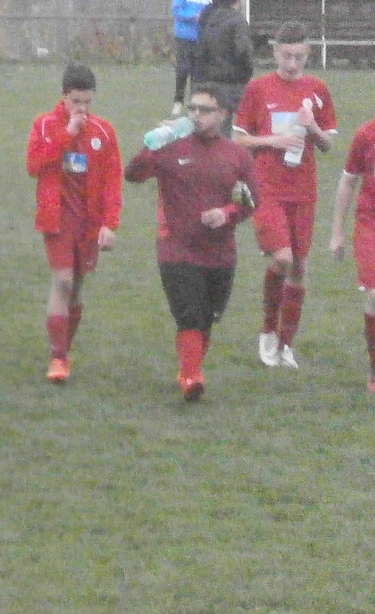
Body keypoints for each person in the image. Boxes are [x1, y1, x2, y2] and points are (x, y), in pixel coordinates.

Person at [124, 83, 258, 401]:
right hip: (177, 249)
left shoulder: (237, 156)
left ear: (223, 114)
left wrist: (225, 214)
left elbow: (250, 200)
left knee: (207, 318)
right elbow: (132, 174)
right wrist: (153, 144)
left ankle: (190, 367)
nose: (197, 115)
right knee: (189, 314)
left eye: (205, 109)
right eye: (192, 108)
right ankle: (192, 376)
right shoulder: (171, 147)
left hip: (220, 254)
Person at [233, 20, 337, 370]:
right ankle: (268, 329)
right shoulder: (258, 88)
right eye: (287, 56)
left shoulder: (317, 89)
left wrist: (312, 127)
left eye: (300, 57)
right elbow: (239, 139)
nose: (293, 64)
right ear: (275, 52)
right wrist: (274, 141)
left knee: (300, 266)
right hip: (267, 188)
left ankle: (287, 344)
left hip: (304, 191)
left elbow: (327, 145)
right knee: (282, 259)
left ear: (308, 55)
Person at [26, 63, 122, 385]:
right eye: (75, 101)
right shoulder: (45, 125)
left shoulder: (103, 132)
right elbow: (34, 165)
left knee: (77, 287)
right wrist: (66, 134)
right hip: (57, 220)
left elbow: (112, 181)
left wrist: (110, 223)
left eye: (87, 102)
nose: (81, 108)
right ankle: (58, 357)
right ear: (63, 96)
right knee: (63, 282)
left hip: (88, 224)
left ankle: (63, 347)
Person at [329, 116, 375, 392]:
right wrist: (337, 232)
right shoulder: (366, 135)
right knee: (374, 295)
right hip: (370, 224)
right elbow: (348, 182)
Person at [191, 0, 253, 136]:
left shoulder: (209, 18)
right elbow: (243, 51)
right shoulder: (237, 20)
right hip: (234, 81)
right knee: (252, 121)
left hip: (211, 80)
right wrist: (246, 73)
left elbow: (200, 51)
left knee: (218, 129)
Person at [171, 0, 213, 117]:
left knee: (198, 73)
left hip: (201, 38)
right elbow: (176, 11)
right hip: (183, 36)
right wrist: (193, 16)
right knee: (183, 70)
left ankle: (194, 105)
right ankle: (178, 101)